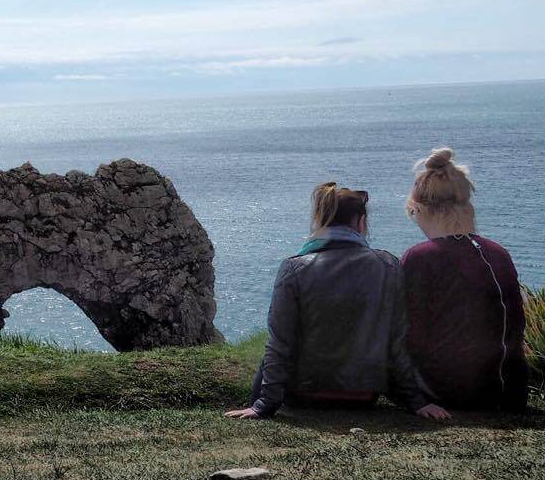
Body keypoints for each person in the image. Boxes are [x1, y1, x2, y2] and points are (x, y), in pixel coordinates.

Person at [226, 181, 450, 420]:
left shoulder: (294, 267)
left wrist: (264, 405)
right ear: (361, 223)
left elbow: (280, 344)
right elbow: (397, 344)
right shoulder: (388, 266)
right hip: (363, 396)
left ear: (321, 222)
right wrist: (417, 402)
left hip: (303, 395)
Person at [400, 148, 529, 411]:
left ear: (419, 209)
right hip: (510, 393)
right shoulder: (498, 252)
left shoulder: (421, 257)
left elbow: (406, 334)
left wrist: (413, 399)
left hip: (450, 394)